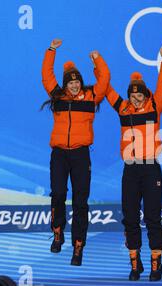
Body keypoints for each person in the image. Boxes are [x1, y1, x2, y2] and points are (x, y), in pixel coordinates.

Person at [103, 48, 162, 281]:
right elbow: (105, 87)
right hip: (130, 169)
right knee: (130, 216)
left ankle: (156, 263)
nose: (136, 98)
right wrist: (96, 62)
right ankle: (135, 263)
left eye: (139, 95)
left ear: (145, 94)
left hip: (151, 168)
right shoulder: (122, 108)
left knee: (152, 216)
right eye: (132, 95)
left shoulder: (156, 106)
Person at [41, 38, 110, 266]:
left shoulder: (91, 97)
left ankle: (78, 246)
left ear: (81, 83)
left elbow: (105, 79)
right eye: (70, 83)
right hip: (59, 154)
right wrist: (51, 50)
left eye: (77, 82)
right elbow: (46, 74)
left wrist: (97, 61)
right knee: (58, 194)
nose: (74, 85)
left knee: (80, 201)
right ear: (65, 84)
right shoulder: (57, 96)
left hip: (81, 155)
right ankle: (58, 232)